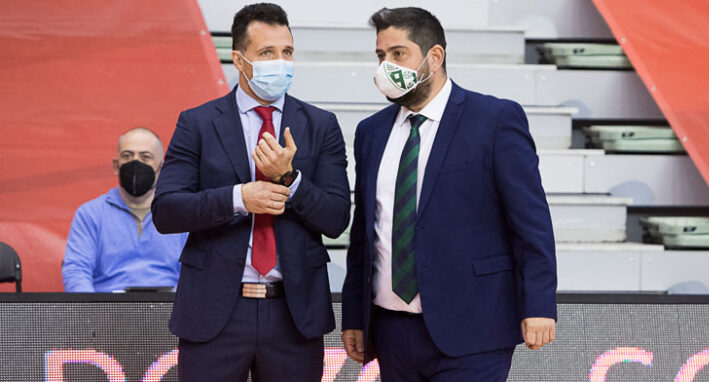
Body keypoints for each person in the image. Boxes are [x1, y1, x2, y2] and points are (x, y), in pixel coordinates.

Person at [341, 7, 558, 381]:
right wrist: (354, 316)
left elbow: (531, 222)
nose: (385, 66)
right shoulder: (370, 133)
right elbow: (365, 233)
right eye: (380, 56)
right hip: (392, 332)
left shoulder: (495, 120)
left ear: (435, 57)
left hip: (475, 329)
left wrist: (539, 305)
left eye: (398, 54)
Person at [151, 3, 350, 381]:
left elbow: (338, 217)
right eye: (267, 53)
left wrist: (290, 180)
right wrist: (240, 198)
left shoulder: (321, 125)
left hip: (294, 315)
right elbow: (167, 211)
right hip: (214, 312)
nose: (281, 62)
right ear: (239, 60)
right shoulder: (198, 123)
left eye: (287, 52)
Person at [62, 128, 187, 292]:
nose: (136, 163)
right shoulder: (90, 214)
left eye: (145, 157)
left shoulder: (180, 213)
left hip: (172, 310)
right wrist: (91, 314)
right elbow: (76, 270)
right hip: (107, 311)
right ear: (116, 165)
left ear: (161, 167)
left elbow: (197, 271)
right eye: (127, 156)